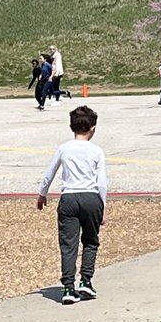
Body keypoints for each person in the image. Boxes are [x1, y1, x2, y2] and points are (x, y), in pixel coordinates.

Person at [36, 105, 106, 305]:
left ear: (71, 126)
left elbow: (50, 173)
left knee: (68, 244)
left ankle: (68, 287)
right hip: (91, 197)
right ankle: (85, 280)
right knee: (91, 241)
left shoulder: (64, 148)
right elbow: (101, 182)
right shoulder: (96, 151)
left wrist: (42, 194)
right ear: (93, 128)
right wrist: (103, 207)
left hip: (69, 198)